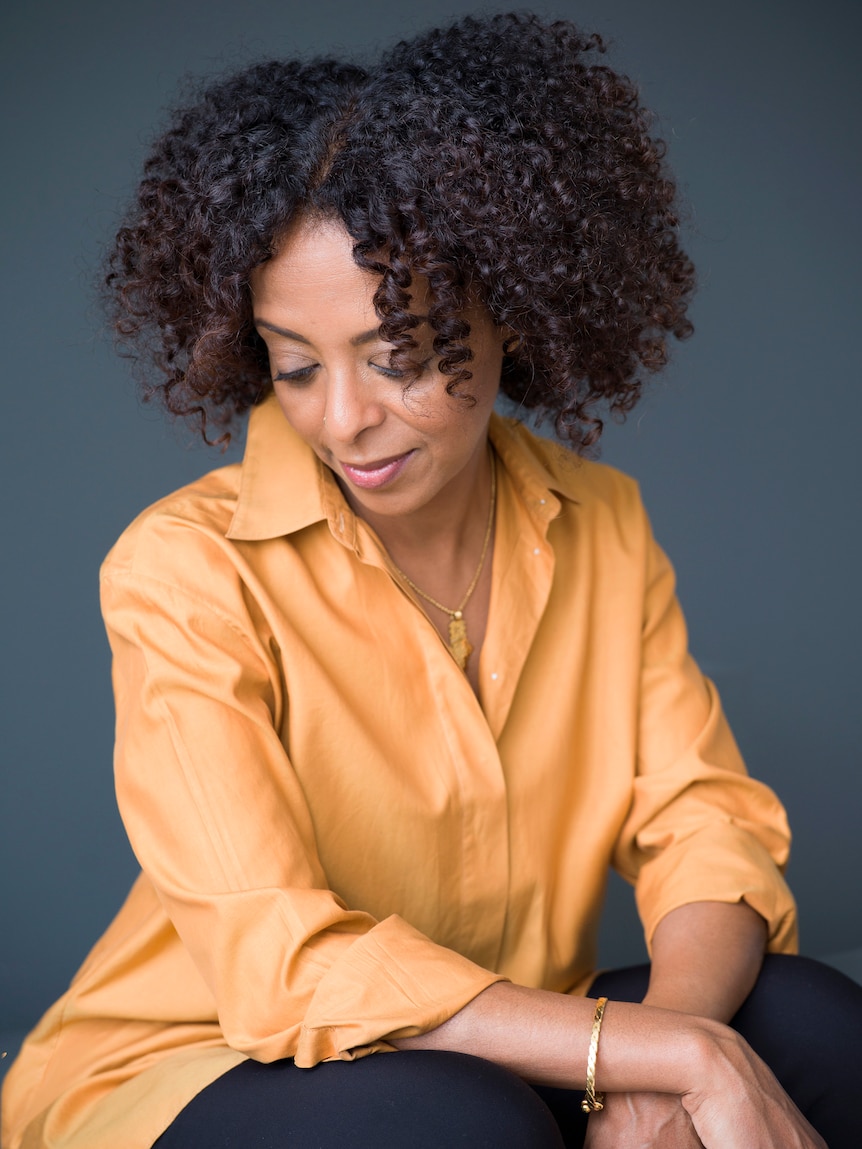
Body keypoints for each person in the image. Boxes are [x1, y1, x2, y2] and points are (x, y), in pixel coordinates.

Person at [3, 12, 861, 1149]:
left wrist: (670, 1052)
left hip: (497, 1046)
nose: (345, 419)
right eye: (295, 366)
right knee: (456, 1122)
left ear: (506, 303)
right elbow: (285, 963)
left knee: (810, 1023)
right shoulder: (184, 569)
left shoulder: (599, 522)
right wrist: (657, 1057)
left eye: (399, 357)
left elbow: (700, 824)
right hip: (202, 1060)